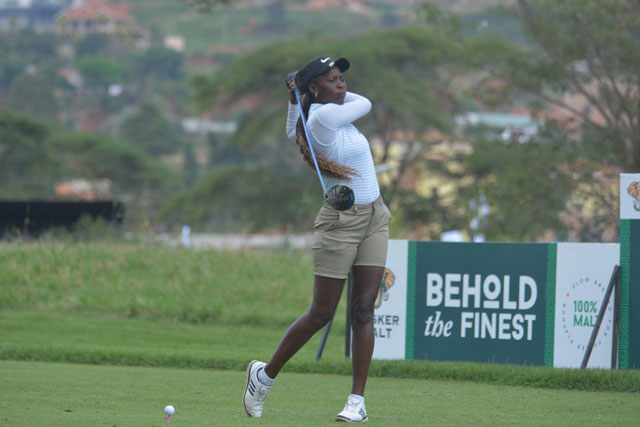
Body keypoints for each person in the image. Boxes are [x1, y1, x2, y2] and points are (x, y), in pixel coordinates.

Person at [242, 56, 392, 423]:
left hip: (375, 215)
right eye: (333, 80)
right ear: (315, 88)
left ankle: (357, 401)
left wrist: (298, 96)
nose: (341, 85)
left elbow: (294, 124)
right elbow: (366, 103)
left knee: (364, 309)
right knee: (321, 313)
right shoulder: (323, 118)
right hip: (340, 223)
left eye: (342, 79)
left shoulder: (319, 113)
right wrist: (306, 96)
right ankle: (264, 377)